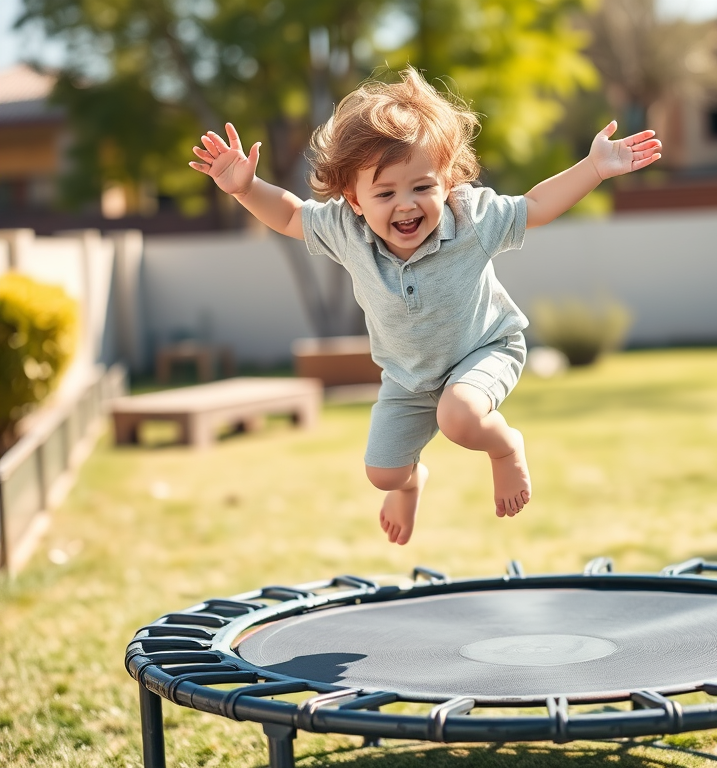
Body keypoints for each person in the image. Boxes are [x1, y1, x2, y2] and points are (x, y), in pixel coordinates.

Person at [189, 66, 661, 545]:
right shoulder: (346, 231)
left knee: (459, 417)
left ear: (447, 181)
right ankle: (411, 483)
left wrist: (594, 168)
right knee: (383, 473)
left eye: (422, 187)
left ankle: (505, 448)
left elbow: (536, 206)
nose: (406, 204)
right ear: (354, 199)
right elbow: (291, 215)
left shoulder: (471, 218)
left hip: (484, 350)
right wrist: (245, 189)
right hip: (407, 377)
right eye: (385, 192)